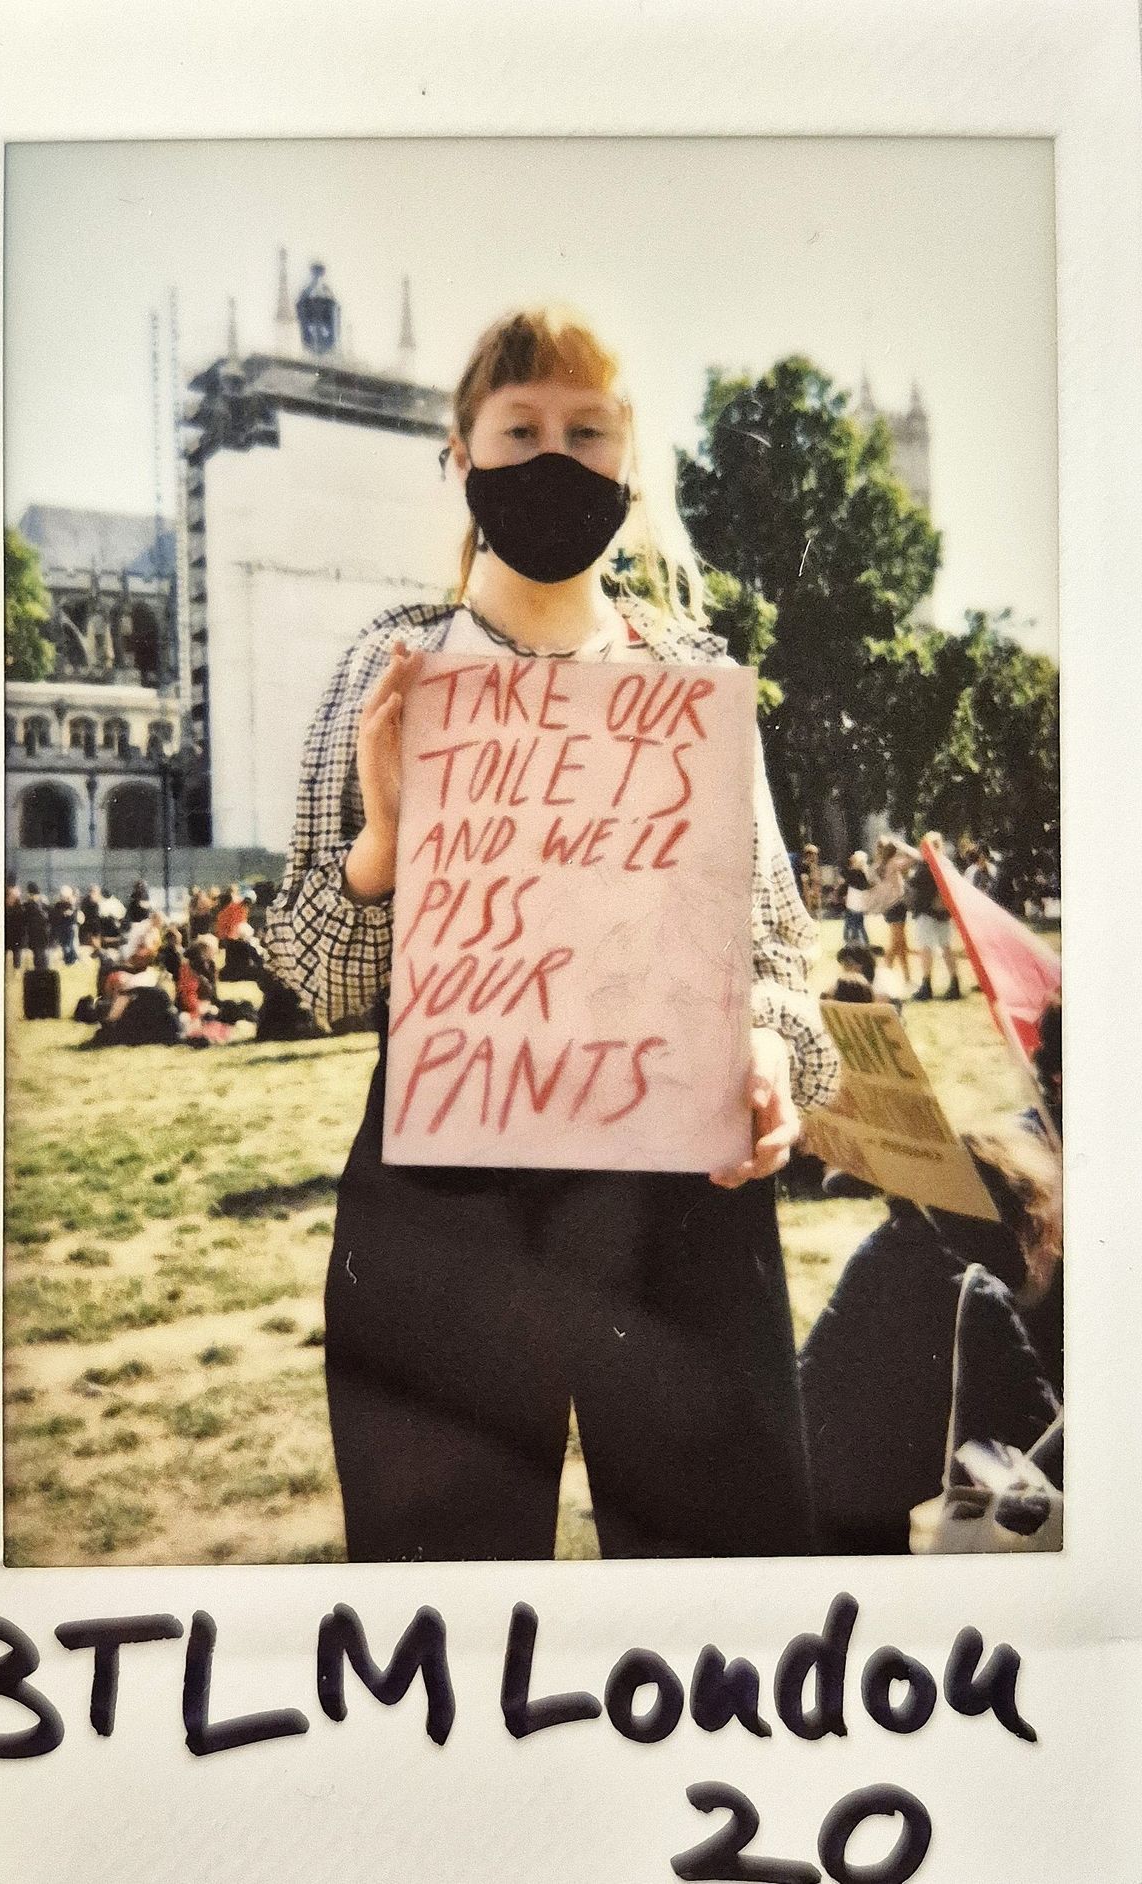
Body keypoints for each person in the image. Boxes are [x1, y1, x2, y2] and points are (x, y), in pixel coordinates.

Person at [266, 306, 840, 1563]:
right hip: (444, 1209)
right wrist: (382, 842)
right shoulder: (392, 671)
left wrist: (770, 1055)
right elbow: (314, 974)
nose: (554, 459)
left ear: (634, 467)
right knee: (444, 1607)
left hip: (684, 1202)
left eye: (589, 432)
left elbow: (782, 960)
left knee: (723, 1593)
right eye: (520, 428)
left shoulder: (692, 680)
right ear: (461, 456)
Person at [799, 1122, 1062, 1553]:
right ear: (1012, 1216)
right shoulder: (976, 1294)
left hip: (825, 1510)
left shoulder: (884, 1250)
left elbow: (813, 1378)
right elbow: (1044, 1440)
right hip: (898, 1533)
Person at [906, 833, 963, 1000]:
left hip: (927, 912)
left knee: (925, 948)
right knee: (945, 948)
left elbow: (914, 883)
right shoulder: (946, 864)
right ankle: (954, 984)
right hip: (942, 913)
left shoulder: (928, 865)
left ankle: (926, 986)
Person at [866, 834, 915, 989]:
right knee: (896, 944)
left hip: (888, 907)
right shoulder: (893, 863)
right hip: (897, 905)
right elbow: (915, 857)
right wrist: (901, 845)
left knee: (901, 944)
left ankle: (907, 979)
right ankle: (881, 979)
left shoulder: (874, 868)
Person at [841, 850, 870, 944]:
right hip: (859, 903)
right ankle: (864, 943)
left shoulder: (854, 872)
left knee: (852, 925)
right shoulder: (863, 873)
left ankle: (853, 943)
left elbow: (844, 877)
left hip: (853, 903)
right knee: (859, 925)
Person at [49, 885, 81, 967]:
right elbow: (55, 917)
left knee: (69, 945)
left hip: (69, 929)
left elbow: (74, 917)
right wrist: (64, 914)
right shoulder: (59, 906)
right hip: (63, 929)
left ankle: (71, 959)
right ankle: (70, 959)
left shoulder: (71, 905)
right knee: (67, 945)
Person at [22, 882, 51, 972]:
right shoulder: (31, 905)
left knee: (41, 955)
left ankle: (42, 971)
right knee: (39, 955)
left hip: (40, 934)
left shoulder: (38, 905)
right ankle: (41, 971)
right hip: (37, 934)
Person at [5, 881, 26, 970]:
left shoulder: (18, 908)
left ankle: (16, 969)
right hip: (12, 934)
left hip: (14, 934)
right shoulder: (17, 907)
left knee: (16, 953)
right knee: (16, 952)